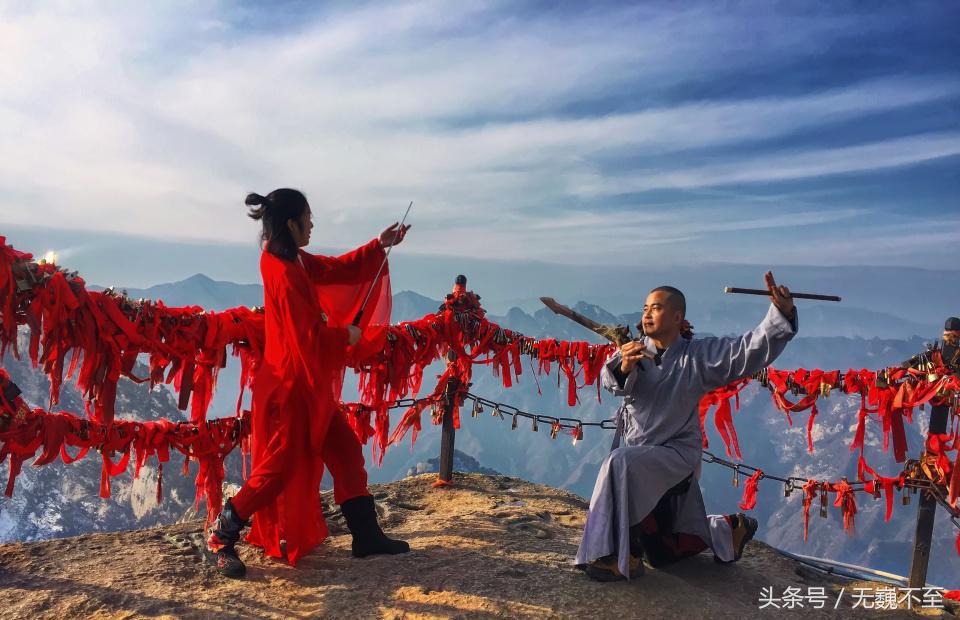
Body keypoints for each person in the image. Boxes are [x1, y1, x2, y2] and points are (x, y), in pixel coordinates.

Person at [207, 188, 412, 578]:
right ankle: (222, 534)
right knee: (278, 469)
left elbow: (332, 269)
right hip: (290, 387)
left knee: (345, 450)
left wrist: (377, 246)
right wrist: (346, 337)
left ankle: (365, 536)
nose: (313, 224)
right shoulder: (283, 272)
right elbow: (309, 340)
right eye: (308, 217)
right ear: (291, 223)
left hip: (304, 381)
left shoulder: (291, 259)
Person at [574, 272, 798, 581]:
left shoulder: (697, 357)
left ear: (678, 316)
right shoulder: (633, 351)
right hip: (643, 456)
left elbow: (747, 350)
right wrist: (623, 366)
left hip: (675, 455)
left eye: (656, 307)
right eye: (644, 308)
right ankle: (730, 528)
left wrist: (781, 314)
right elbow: (613, 384)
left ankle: (616, 556)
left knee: (619, 462)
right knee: (664, 555)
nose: (647, 314)